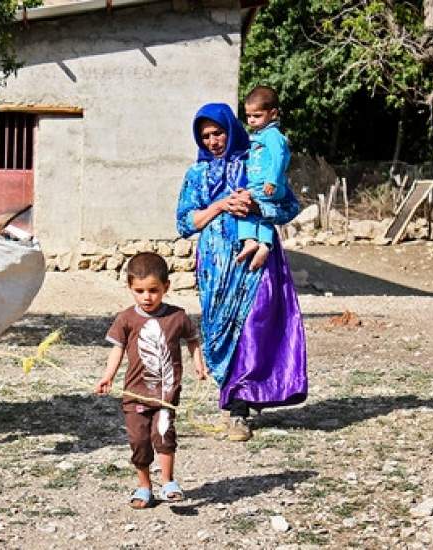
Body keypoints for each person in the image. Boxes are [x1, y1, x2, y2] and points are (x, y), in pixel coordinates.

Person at [176, 103, 307, 442]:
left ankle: (238, 409)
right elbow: (184, 222)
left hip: (256, 264)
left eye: (217, 133)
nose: (212, 141)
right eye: (205, 137)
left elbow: (289, 206)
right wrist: (220, 205)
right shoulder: (196, 175)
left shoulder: (255, 160)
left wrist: (254, 205)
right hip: (216, 267)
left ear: (231, 129)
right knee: (220, 331)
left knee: (252, 329)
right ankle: (239, 395)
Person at [95, 252, 207, 509]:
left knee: (164, 435)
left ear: (166, 287)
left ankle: (168, 481)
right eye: (140, 291)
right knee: (139, 440)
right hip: (135, 393)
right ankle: (144, 485)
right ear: (130, 289)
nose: (147, 297)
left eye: (154, 290)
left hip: (166, 393)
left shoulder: (177, 316)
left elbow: (192, 340)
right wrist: (107, 376)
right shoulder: (126, 318)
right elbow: (117, 350)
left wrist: (198, 364)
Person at [235, 85, 292, 271]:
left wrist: (272, 180)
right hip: (262, 184)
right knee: (263, 216)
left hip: (267, 185)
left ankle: (250, 240)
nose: (251, 120)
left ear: (273, 113)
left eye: (257, 116)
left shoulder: (272, 135)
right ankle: (265, 245)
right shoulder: (260, 135)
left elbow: (280, 157)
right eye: (248, 116)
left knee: (244, 204)